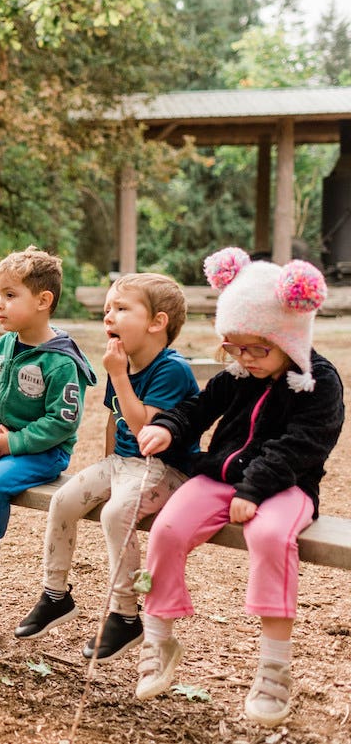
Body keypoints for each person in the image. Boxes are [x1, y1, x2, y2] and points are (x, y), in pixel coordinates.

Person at [133, 248, 344, 727]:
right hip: (222, 477)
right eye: (234, 348)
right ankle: (159, 635)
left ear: (287, 337)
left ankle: (274, 667)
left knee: (271, 539)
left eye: (256, 349)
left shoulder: (318, 382)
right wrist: (169, 427)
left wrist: (253, 490)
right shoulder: (237, 374)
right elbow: (196, 409)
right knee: (168, 528)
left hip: (284, 486)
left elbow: (302, 446)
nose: (244, 360)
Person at [14, 274, 198, 662]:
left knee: (116, 513)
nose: (109, 317)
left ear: (157, 322)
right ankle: (54, 594)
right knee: (64, 500)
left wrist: (117, 374)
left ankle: (125, 615)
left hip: (166, 469)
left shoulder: (171, 369)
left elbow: (143, 428)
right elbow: (115, 421)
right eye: (106, 311)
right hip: (123, 463)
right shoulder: (125, 360)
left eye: (121, 309)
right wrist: (105, 468)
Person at [0, 246, 96, 609]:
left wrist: (15, 442)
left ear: (43, 300)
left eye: (10, 296)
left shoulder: (60, 361)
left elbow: (63, 421)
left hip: (43, 451)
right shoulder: (4, 346)